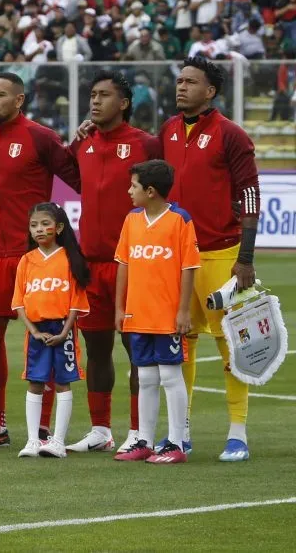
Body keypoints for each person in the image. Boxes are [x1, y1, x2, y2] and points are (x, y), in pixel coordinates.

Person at [0, 72, 80, 450]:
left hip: (37, 260)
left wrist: (87, 141)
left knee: (45, 338)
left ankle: (43, 430)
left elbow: (79, 177)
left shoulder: (40, 137)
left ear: (20, 99)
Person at [160, 57, 260, 462]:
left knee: (232, 347)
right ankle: (180, 431)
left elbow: (251, 196)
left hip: (221, 253)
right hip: (176, 256)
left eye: (190, 82)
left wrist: (246, 258)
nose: (181, 87)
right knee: (180, 344)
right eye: (179, 81)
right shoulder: (166, 130)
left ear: (210, 91)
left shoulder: (230, 134)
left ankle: (238, 432)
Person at [67, 72, 160, 455]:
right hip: (92, 265)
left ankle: (139, 431)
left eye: (105, 95)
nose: (95, 101)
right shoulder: (84, 144)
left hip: (132, 265)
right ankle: (100, 430)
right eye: (92, 95)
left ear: (123, 103)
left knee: (136, 349)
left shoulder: (145, 143)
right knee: (97, 349)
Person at [113, 160, 199, 465]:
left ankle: (176, 442)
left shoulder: (179, 220)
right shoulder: (132, 219)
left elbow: (189, 268)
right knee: (146, 377)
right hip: (138, 314)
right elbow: (124, 264)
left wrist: (183, 311)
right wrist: (120, 307)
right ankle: (144, 441)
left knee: (171, 376)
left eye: (133, 186)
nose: (129, 191)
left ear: (150, 191)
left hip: (166, 315)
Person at [12, 203, 90, 458]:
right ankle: (33, 440)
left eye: (45, 224)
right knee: (35, 382)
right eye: (34, 225)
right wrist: (33, 332)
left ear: (59, 228)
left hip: (62, 329)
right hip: (37, 332)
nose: (39, 230)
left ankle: (58, 441)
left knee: (62, 383)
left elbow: (77, 304)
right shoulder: (27, 260)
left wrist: (65, 332)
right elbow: (19, 302)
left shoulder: (69, 259)